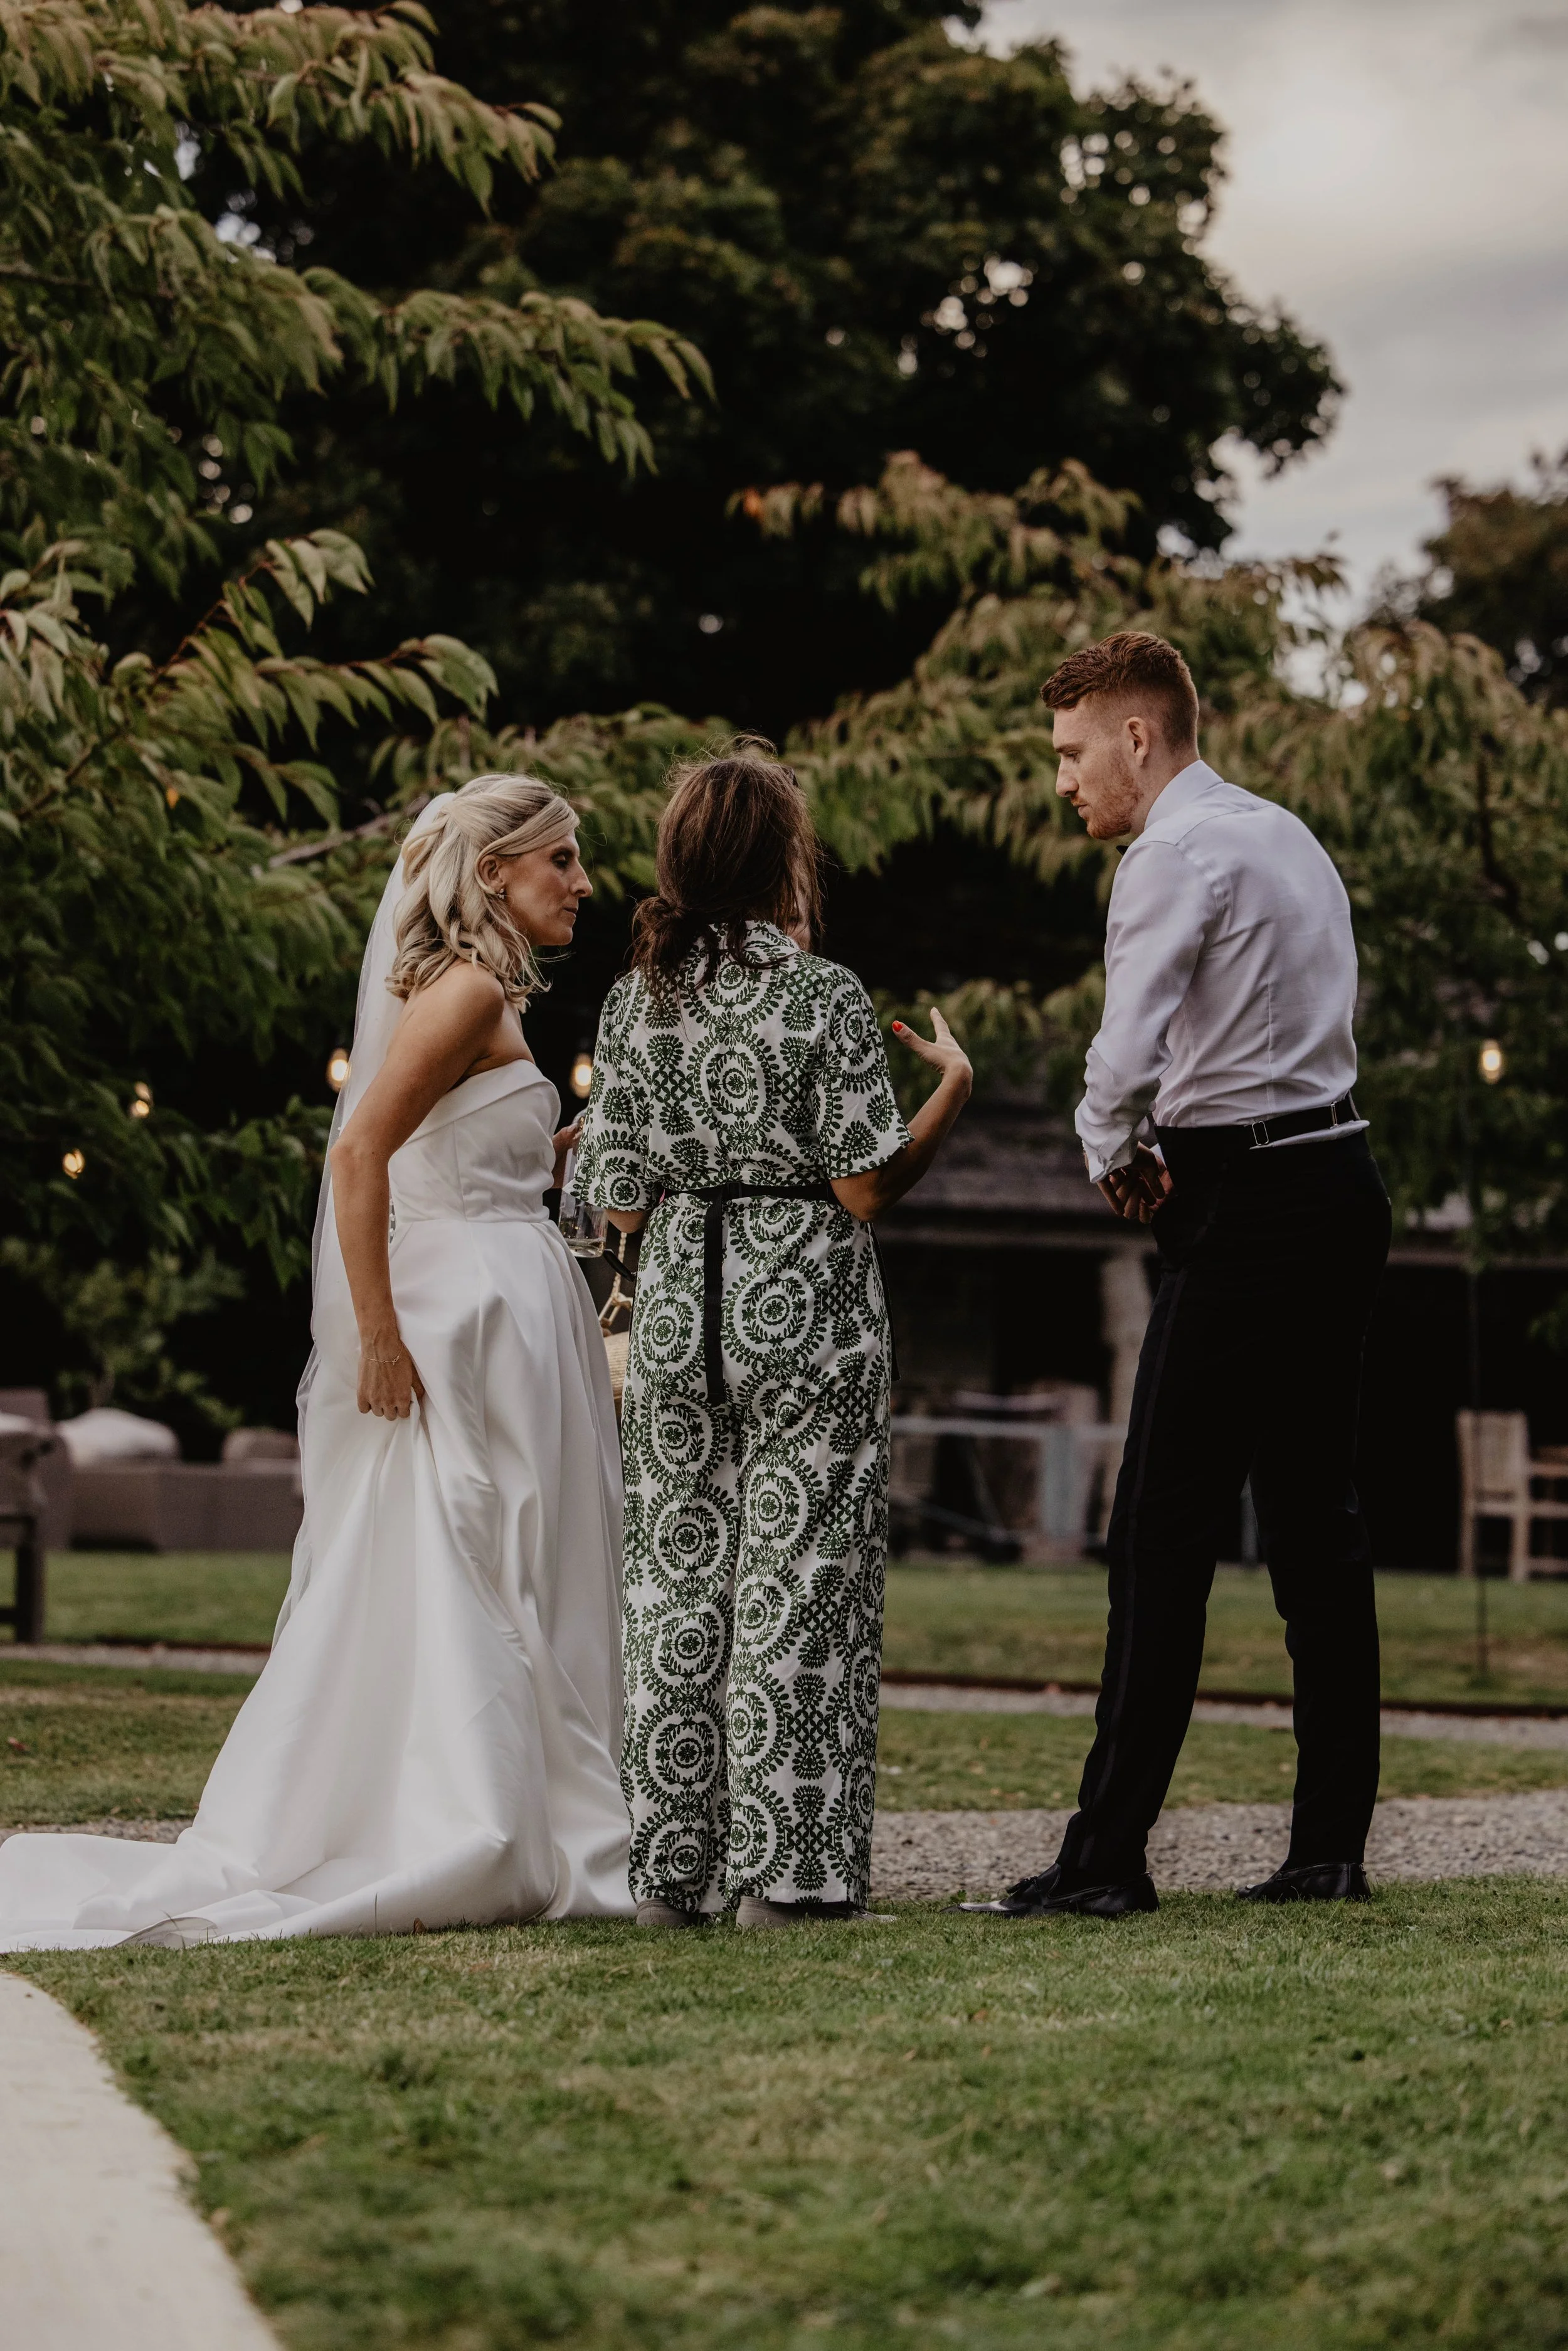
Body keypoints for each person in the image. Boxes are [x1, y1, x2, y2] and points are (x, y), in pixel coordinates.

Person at [0, 776, 633, 1950]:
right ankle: (485, 1810)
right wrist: (380, 1335)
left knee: (508, 1550)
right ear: (494, 872)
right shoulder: (465, 990)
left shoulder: (480, 998)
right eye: (562, 861)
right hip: (462, 1317)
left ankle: (541, 1794)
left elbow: (465, 1153)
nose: (584, 884)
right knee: (469, 1549)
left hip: (506, 1297)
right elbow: (359, 1158)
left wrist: (571, 1141)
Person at [967, 632, 1391, 1922]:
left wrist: (1112, 1153)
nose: (1061, 783)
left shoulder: (1171, 851)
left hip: (1248, 1197)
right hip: (1336, 1178)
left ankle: (1104, 1857)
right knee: (1316, 1525)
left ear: (1138, 737)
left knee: (1158, 1525)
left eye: (1070, 753)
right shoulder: (1285, 834)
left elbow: (1125, 1045)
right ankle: (1327, 1846)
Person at [573, 742, 971, 1929]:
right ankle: (788, 1884)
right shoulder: (823, 996)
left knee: (675, 1590)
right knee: (800, 1585)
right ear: (781, 861)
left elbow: (620, 1200)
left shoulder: (638, 996)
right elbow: (865, 1188)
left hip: (679, 1312)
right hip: (803, 1307)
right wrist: (947, 1087)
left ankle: (671, 1880)